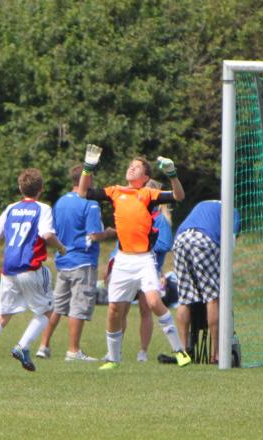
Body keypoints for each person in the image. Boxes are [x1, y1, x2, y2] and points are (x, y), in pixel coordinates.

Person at [78, 144, 191, 370]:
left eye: (136, 167)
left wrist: (172, 174)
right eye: (130, 166)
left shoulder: (148, 194)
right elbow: (83, 192)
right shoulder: (115, 191)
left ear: (145, 177)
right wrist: (87, 169)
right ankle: (113, 359)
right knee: (114, 310)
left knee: (153, 302)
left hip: (144, 259)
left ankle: (179, 351)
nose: (131, 168)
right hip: (123, 260)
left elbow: (179, 196)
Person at [0, 168, 67, 373]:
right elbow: (47, 234)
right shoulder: (43, 208)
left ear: (20, 188)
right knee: (48, 311)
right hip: (30, 267)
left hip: (9, 269)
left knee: (2, 316)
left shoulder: (11, 208)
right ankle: (23, 346)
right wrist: (60, 248)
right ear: (41, 188)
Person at [36, 165, 116, 362]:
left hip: (63, 260)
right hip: (83, 260)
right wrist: (109, 233)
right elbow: (93, 235)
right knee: (79, 306)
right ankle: (73, 351)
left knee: (57, 306)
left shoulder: (61, 202)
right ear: (87, 180)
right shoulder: (90, 203)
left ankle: (43, 346)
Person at [103, 180, 174, 363]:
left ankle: (142, 352)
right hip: (127, 268)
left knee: (146, 309)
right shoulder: (132, 213)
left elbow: (165, 244)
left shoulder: (160, 219)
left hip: (147, 268)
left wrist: (144, 244)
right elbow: (122, 243)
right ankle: (114, 352)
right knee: (120, 310)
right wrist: (112, 265)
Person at [173, 199, 240, 364]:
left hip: (180, 240)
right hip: (204, 241)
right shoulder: (233, 211)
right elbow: (229, 244)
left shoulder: (201, 204)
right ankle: (216, 354)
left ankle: (183, 352)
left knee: (184, 299)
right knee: (213, 298)